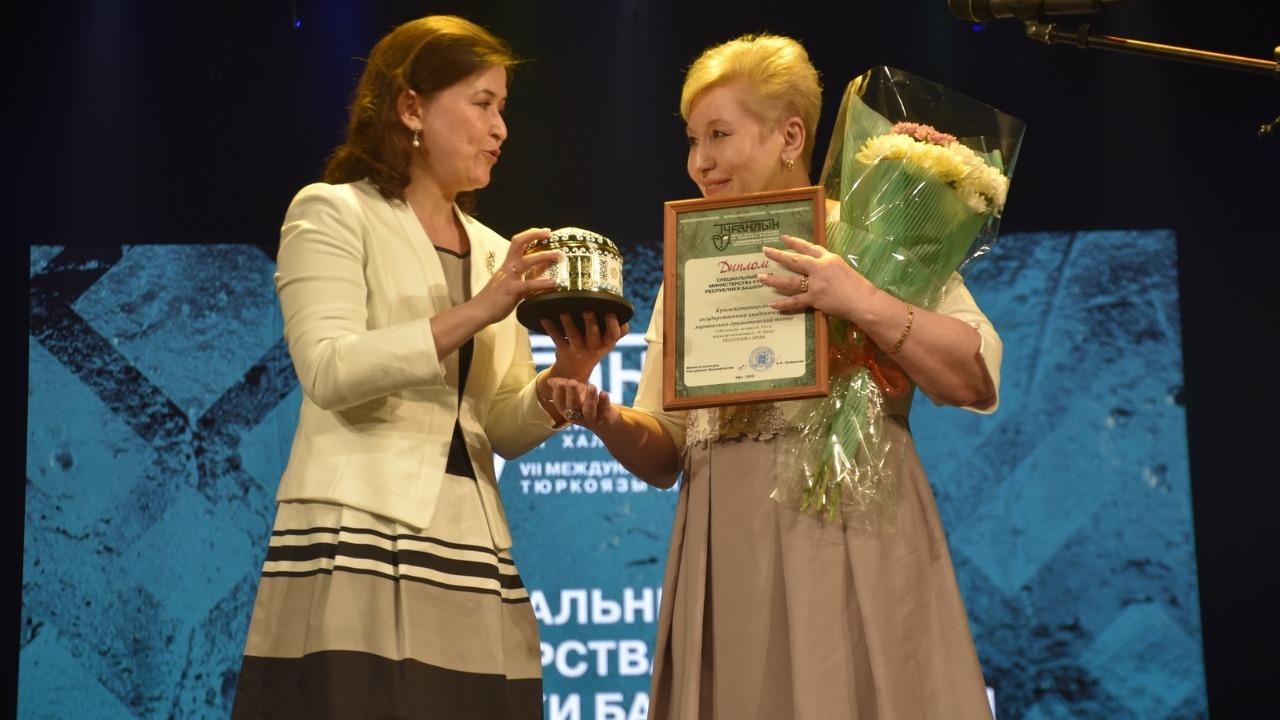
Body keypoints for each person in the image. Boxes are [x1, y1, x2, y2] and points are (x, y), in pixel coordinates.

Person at [546, 34, 1000, 719]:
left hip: (849, 523)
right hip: (727, 542)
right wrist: (609, 420)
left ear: (790, 135)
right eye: (692, 140)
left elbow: (974, 375)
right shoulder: (692, 263)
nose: (699, 162)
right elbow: (667, 449)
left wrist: (859, 298)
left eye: (719, 135)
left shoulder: (869, 238)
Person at [231, 15, 626, 719]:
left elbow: (497, 426)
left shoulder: (493, 249)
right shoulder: (333, 213)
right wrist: (482, 307)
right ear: (411, 108)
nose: (500, 129)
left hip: (471, 543)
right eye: (482, 104)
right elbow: (328, 370)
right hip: (359, 529)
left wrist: (566, 373)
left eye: (502, 108)